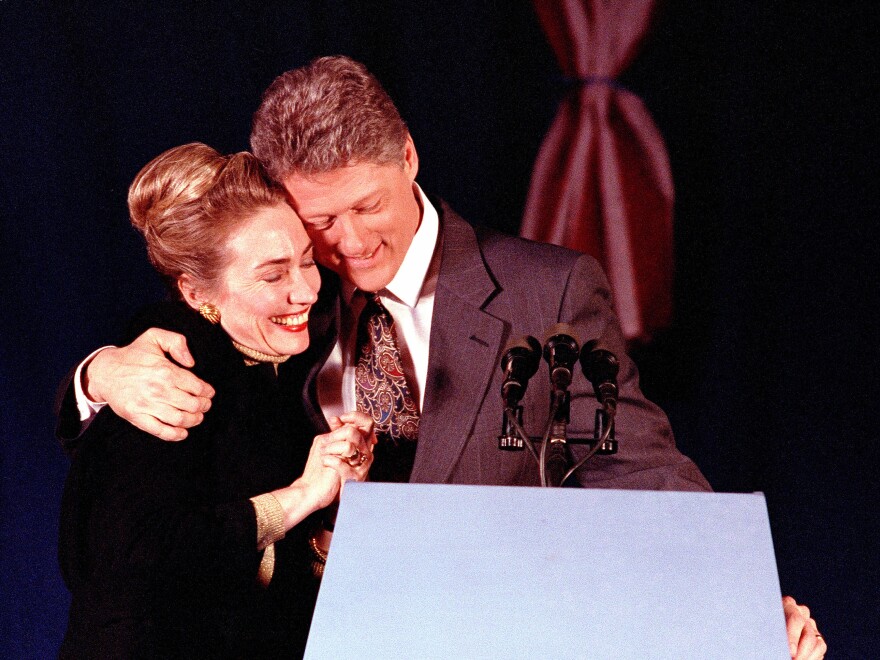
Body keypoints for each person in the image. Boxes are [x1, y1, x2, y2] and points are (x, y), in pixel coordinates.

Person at [58, 57, 826, 659]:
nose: (348, 244)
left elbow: (634, 465)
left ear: (410, 157)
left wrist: (742, 598)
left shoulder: (546, 292)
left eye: (366, 206)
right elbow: (172, 369)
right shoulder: (287, 294)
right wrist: (98, 375)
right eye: (320, 219)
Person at [58, 143, 375, 658]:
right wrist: (304, 495)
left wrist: (332, 508)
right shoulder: (170, 371)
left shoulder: (269, 364)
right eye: (273, 275)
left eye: (307, 261)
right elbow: (135, 557)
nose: (305, 292)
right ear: (196, 292)